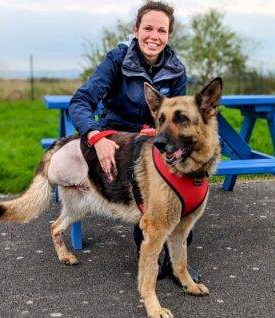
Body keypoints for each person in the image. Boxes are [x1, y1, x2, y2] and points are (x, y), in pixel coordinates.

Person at [69, 0, 200, 283]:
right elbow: (80, 102)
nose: (154, 36)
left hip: (155, 141)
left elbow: (178, 117)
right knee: (150, 210)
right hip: (117, 140)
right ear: (136, 29)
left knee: (180, 198)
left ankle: (174, 266)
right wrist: (96, 136)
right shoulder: (116, 60)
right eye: (148, 28)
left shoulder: (177, 69)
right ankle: (150, 257)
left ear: (169, 35)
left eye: (161, 30)